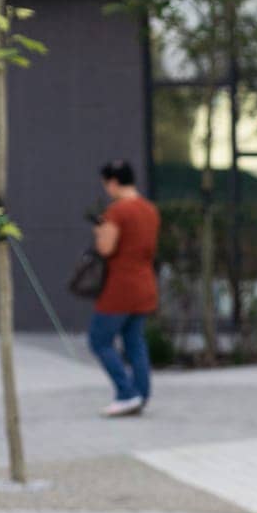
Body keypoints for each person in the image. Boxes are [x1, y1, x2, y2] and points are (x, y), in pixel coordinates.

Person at [90, 159, 160, 416]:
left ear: (113, 182)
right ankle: (140, 394)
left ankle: (126, 392)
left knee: (99, 340)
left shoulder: (117, 212)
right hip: (145, 284)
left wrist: (99, 231)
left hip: (120, 287)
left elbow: (106, 248)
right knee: (134, 342)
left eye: (106, 184)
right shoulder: (150, 210)